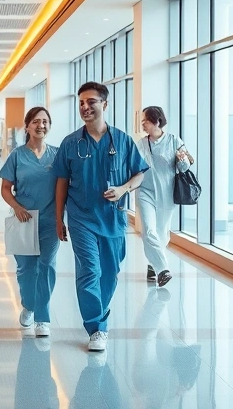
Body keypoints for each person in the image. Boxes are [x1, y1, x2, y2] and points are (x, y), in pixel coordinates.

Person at [54, 82, 148, 353]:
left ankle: (100, 314)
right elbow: (61, 181)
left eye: (91, 102)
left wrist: (123, 189)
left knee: (110, 274)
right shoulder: (71, 143)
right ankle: (97, 327)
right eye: (81, 102)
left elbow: (139, 173)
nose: (85, 107)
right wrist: (60, 217)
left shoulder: (122, 140)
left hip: (114, 218)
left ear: (104, 105)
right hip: (81, 217)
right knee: (90, 271)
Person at [0, 106, 59, 338]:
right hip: (24, 219)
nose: (40, 125)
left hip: (50, 220)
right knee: (26, 269)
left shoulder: (57, 155)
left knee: (47, 267)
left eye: (45, 121)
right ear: (27, 126)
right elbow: (5, 188)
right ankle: (29, 305)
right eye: (35, 121)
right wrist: (16, 207)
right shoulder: (17, 155)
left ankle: (42, 317)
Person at [135, 106, 191, 287]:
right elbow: (134, 166)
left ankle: (153, 265)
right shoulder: (141, 144)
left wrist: (182, 160)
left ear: (157, 121)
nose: (143, 124)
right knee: (149, 231)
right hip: (145, 191)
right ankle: (163, 269)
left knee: (162, 234)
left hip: (167, 193)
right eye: (142, 121)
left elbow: (184, 168)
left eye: (146, 121)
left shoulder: (174, 141)